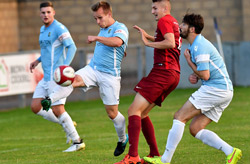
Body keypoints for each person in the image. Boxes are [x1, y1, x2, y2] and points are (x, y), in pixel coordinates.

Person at [144, 13, 242, 164]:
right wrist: (195, 76)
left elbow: (206, 74)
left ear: (192, 29)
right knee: (195, 128)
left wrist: (190, 62)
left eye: (183, 25)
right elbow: (204, 73)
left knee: (179, 117)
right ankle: (231, 151)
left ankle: (164, 160)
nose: (180, 27)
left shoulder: (199, 46)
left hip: (216, 89)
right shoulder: (197, 44)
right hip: (224, 91)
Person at [41, 1, 129, 156]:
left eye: (100, 18)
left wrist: (96, 38)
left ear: (109, 14)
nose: (98, 22)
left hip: (110, 76)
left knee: (112, 113)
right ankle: (50, 98)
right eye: (95, 18)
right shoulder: (102, 28)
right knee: (72, 79)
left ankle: (122, 139)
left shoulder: (120, 28)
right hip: (93, 69)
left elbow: (117, 41)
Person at [115, 0, 181, 163]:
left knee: (133, 111)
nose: (152, 11)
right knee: (142, 113)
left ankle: (132, 156)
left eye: (155, 8)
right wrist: (149, 36)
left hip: (162, 71)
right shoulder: (172, 21)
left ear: (164, 8)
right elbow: (169, 42)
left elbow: (170, 43)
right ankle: (154, 154)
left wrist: (147, 43)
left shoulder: (164, 20)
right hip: (172, 73)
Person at [30, 1, 84, 152]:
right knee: (35, 107)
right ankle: (66, 123)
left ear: (54, 13)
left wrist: (65, 67)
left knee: (57, 108)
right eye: (43, 12)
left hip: (57, 77)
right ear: (40, 14)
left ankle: (77, 141)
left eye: (48, 12)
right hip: (46, 77)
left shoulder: (59, 28)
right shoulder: (42, 29)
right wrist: (37, 60)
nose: (45, 15)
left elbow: (72, 46)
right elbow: (47, 50)